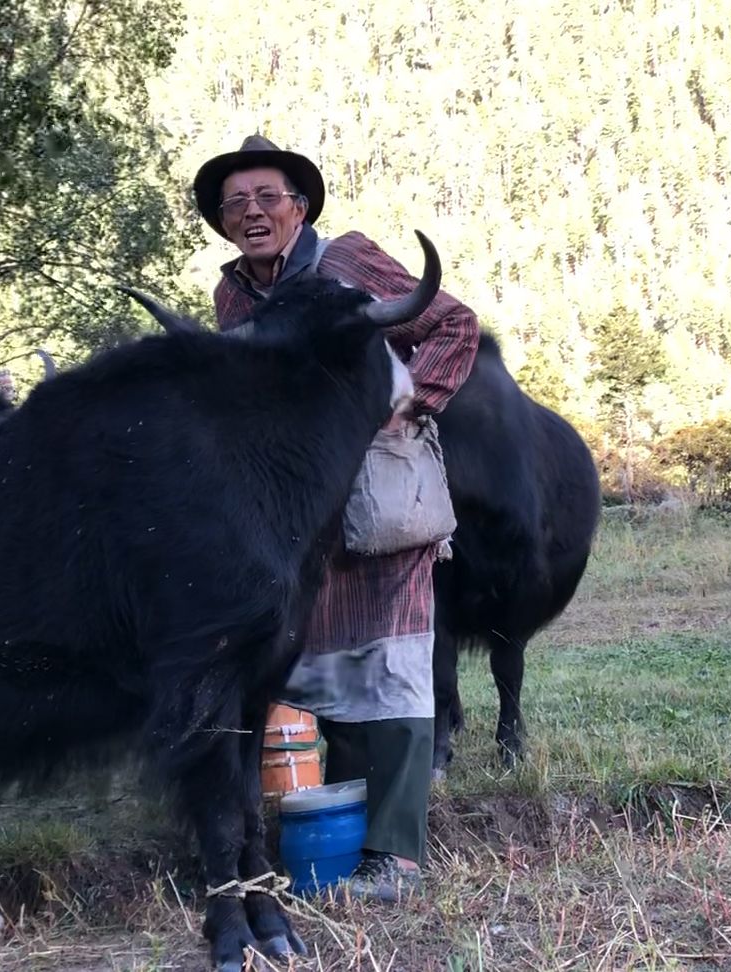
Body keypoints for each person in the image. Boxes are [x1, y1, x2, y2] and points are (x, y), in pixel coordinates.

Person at [192, 134, 481, 901]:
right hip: (287, 513)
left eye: (267, 198)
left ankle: (395, 856)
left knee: (387, 666)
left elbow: (453, 324)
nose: (251, 213)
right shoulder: (230, 297)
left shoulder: (349, 261)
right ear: (222, 223)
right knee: (314, 670)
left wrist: (406, 403)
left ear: (300, 206)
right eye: (235, 204)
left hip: (379, 495)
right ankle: (334, 835)